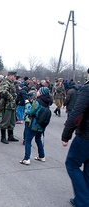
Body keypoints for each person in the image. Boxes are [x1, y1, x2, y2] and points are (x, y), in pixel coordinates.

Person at [61, 68, 89, 207]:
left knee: (72, 164)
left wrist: (66, 135)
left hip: (86, 136)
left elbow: (77, 113)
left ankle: (83, 201)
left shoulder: (87, 89)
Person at [19, 87, 53, 165]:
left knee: (28, 140)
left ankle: (26, 159)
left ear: (41, 93)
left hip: (34, 124)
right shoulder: (48, 102)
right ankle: (42, 156)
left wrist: (27, 103)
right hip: (42, 124)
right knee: (38, 139)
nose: (37, 92)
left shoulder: (38, 102)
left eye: (39, 91)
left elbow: (31, 111)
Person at [0, 71, 19, 144]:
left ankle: (10, 136)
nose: (15, 77)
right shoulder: (5, 82)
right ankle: (3, 137)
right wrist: (11, 98)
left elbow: (11, 91)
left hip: (11, 105)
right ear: (10, 76)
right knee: (5, 121)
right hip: (6, 105)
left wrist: (15, 95)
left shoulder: (10, 83)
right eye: (14, 76)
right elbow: (3, 92)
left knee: (11, 121)